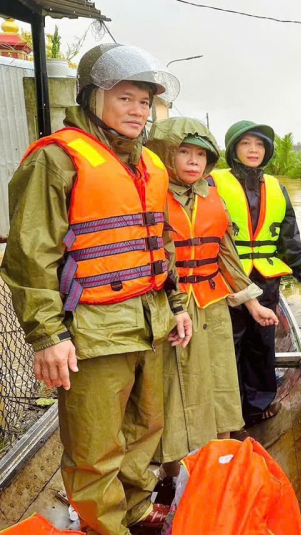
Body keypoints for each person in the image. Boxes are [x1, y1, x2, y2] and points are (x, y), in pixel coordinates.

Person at [0, 44, 190, 534]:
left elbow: (160, 242)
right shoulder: (56, 160)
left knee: (146, 429)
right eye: (126, 98)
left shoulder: (150, 163)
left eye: (145, 102)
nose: (138, 111)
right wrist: (46, 336)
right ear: (92, 97)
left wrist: (176, 304)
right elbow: (30, 255)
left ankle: (136, 509)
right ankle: (105, 527)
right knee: (94, 445)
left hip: (150, 322)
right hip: (91, 329)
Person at [145, 118, 279, 475]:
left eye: (200, 154)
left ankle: (220, 463)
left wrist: (252, 303)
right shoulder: (150, 196)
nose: (193, 161)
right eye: (184, 152)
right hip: (172, 307)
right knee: (176, 389)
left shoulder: (211, 195)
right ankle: (174, 472)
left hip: (213, 302)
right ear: (165, 154)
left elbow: (226, 255)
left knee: (221, 383)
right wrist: (172, 308)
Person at [211, 121, 301, 426]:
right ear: (234, 149)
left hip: (266, 278)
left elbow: (289, 237)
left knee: (262, 340)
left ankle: (257, 405)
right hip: (227, 274)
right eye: (246, 144)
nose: (253, 150)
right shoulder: (213, 183)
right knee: (230, 341)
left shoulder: (276, 187)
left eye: (259, 145)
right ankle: (229, 408)